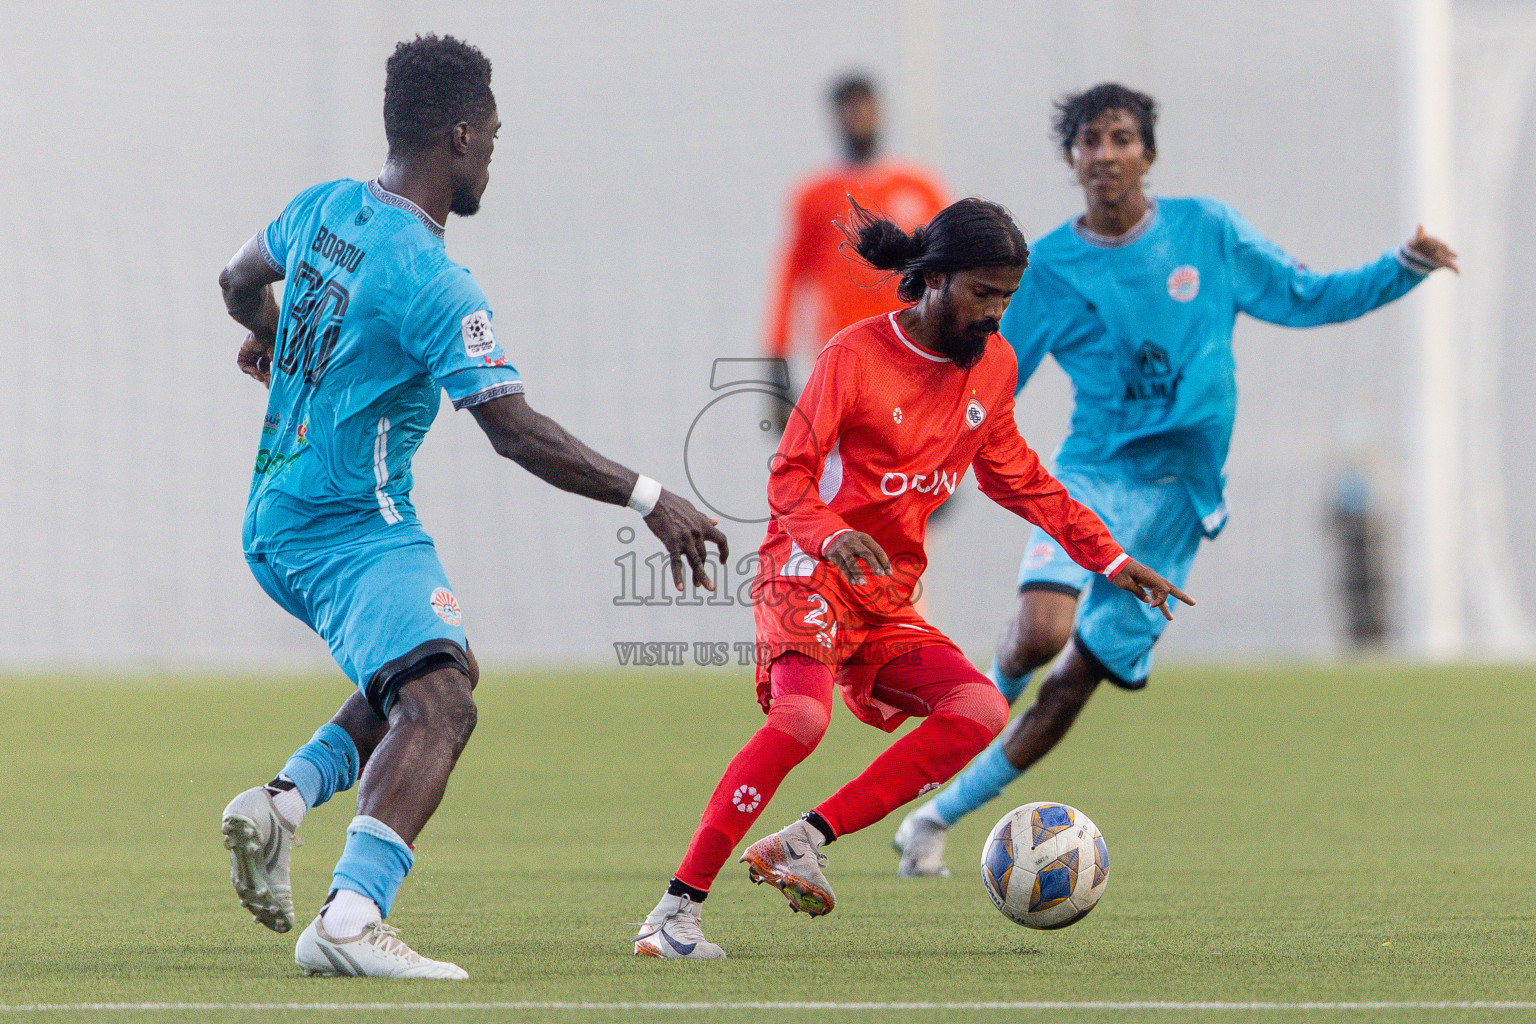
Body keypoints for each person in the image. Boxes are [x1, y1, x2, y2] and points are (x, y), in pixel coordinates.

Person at [216, 35, 726, 979]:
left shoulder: (323, 206)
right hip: (346, 522)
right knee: (442, 706)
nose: (495, 148)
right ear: (460, 133)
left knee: (442, 665)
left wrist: (277, 336)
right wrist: (651, 498)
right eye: (491, 131)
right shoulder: (433, 279)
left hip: (279, 513)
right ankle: (350, 919)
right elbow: (514, 430)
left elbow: (238, 281)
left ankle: (286, 800)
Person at [892, 83, 1459, 877]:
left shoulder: (1209, 232)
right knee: (1039, 635)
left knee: (1073, 684)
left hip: (1179, 501)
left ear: (1147, 154)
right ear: (1072, 158)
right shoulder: (1047, 266)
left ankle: (933, 819)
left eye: (1121, 137)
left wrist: (1402, 268)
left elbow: (1307, 297)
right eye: (1090, 140)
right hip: (1095, 472)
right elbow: (991, 378)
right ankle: (965, 718)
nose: (1106, 154)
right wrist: (924, 465)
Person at [632, 197, 1191, 959]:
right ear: (933, 280)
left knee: (979, 708)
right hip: (805, 570)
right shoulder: (852, 357)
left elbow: (1020, 476)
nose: (995, 313)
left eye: (1007, 297)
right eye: (982, 294)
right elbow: (789, 480)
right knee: (801, 721)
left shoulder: (993, 366)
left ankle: (804, 839)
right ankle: (674, 912)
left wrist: (1113, 560)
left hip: (882, 590)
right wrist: (831, 539)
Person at [764, 74, 948, 424]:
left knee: (932, 462)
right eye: (849, 110)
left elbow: (955, 273)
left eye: (865, 107)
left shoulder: (920, 189)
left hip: (918, 354)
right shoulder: (815, 197)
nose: (858, 117)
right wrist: (776, 363)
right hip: (846, 358)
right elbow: (788, 280)